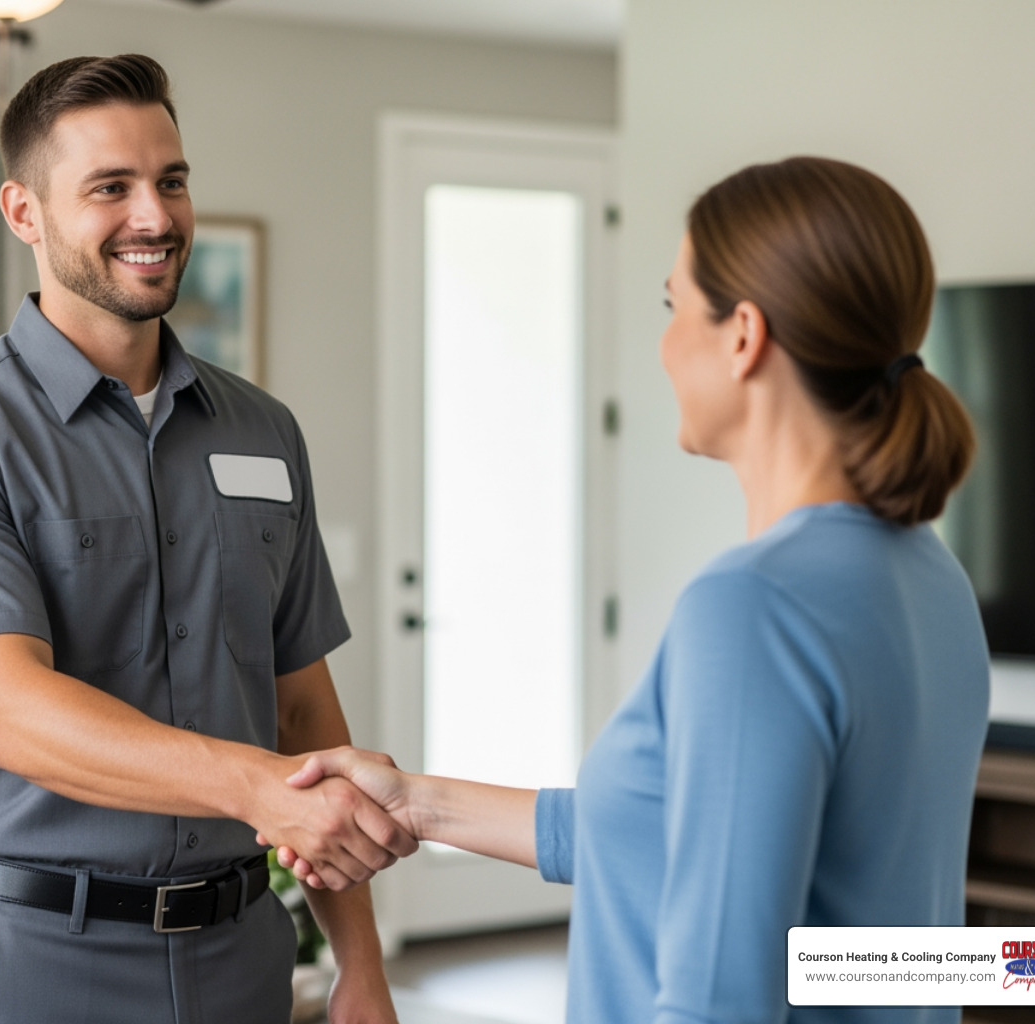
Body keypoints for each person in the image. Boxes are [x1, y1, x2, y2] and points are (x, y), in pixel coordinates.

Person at [274, 156, 991, 1024]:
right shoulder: (930, 576)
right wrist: (418, 805)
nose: (663, 342)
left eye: (671, 305)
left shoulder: (755, 608)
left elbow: (720, 998)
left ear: (742, 336)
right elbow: (708, 848)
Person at [0, 54, 410, 1024]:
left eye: (172, 180)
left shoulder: (264, 431)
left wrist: (361, 963)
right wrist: (260, 789)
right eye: (110, 188)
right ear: (24, 212)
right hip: (30, 962)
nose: (154, 217)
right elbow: (13, 714)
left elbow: (300, 710)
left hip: (242, 954)